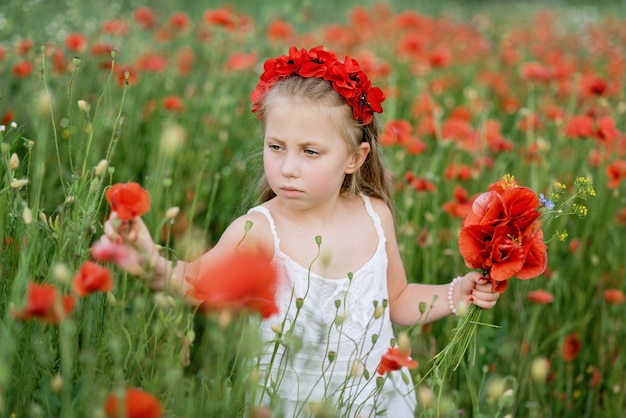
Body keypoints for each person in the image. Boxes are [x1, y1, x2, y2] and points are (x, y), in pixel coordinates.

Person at [102, 46, 500, 417]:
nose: (288, 167)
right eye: (276, 147)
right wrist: (147, 260)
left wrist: (456, 294)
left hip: (375, 400)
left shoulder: (374, 215)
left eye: (310, 151)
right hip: (289, 402)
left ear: (354, 158)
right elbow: (190, 284)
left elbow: (395, 300)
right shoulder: (258, 230)